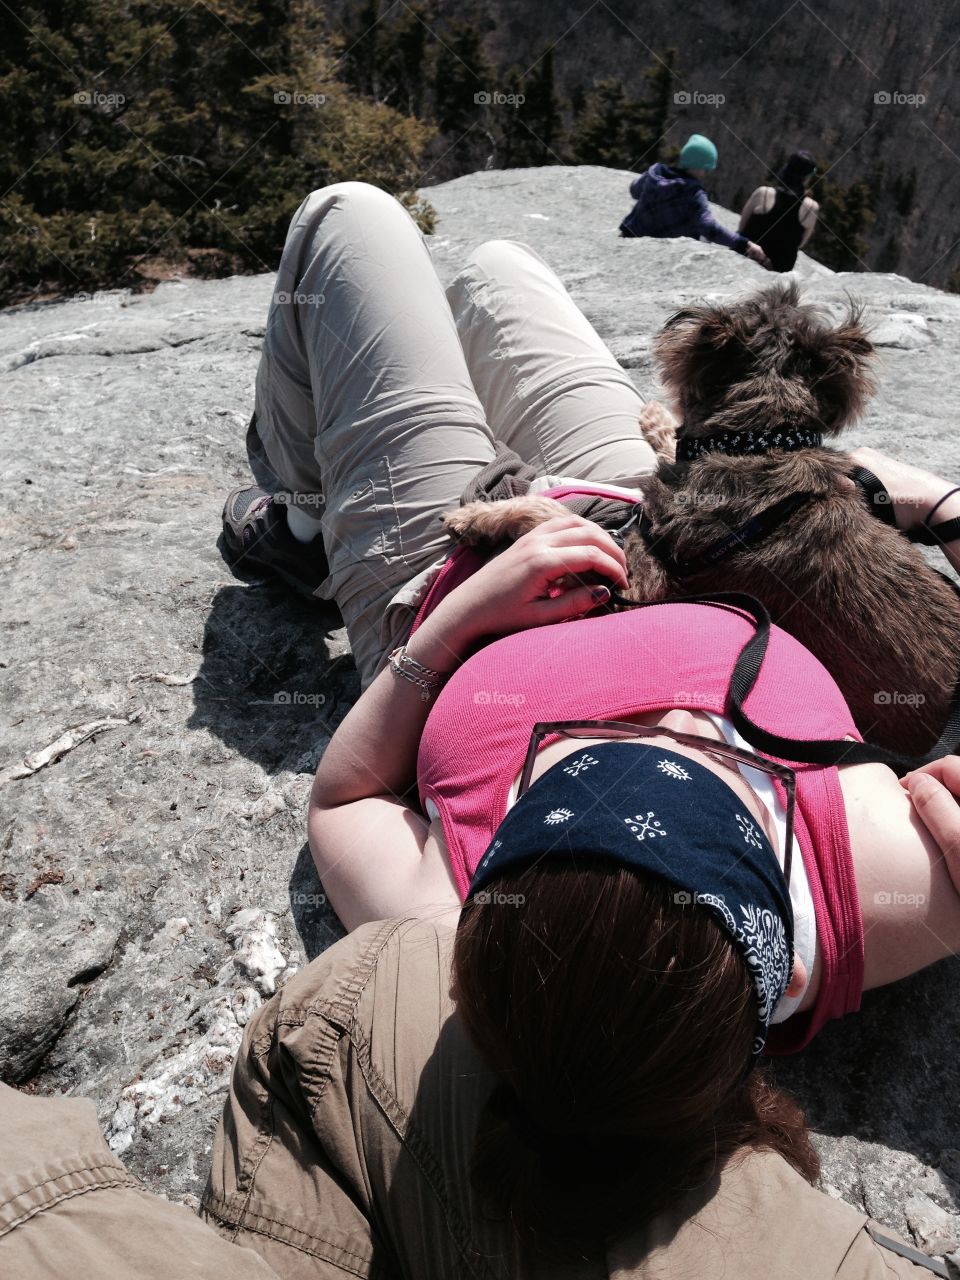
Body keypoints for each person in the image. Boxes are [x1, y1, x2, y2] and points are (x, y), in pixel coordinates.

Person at [220, 180, 960, 1265]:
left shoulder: (451, 921)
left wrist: (460, 619)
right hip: (661, 507)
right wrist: (924, 498)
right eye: (720, 768)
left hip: (449, 553)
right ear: (769, 928)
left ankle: (298, 517)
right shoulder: (886, 885)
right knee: (499, 271)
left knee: (350, 217)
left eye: (570, 768)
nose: (658, 722)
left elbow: (346, 794)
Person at [619, 132, 770, 266]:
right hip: (658, 252)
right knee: (705, 242)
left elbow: (634, 190)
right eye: (706, 169)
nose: (706, 174)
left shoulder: (654, 173)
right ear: (700, 167)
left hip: (630, 234)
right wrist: (745, 244)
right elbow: (709, 228)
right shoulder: (693, 193)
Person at [739, 149, 820, 272]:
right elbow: (800, 244)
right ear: (807, 178)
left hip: (747, 256)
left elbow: (742, 227)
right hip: (779, 268)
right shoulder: (812, 208)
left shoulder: (763, 193)